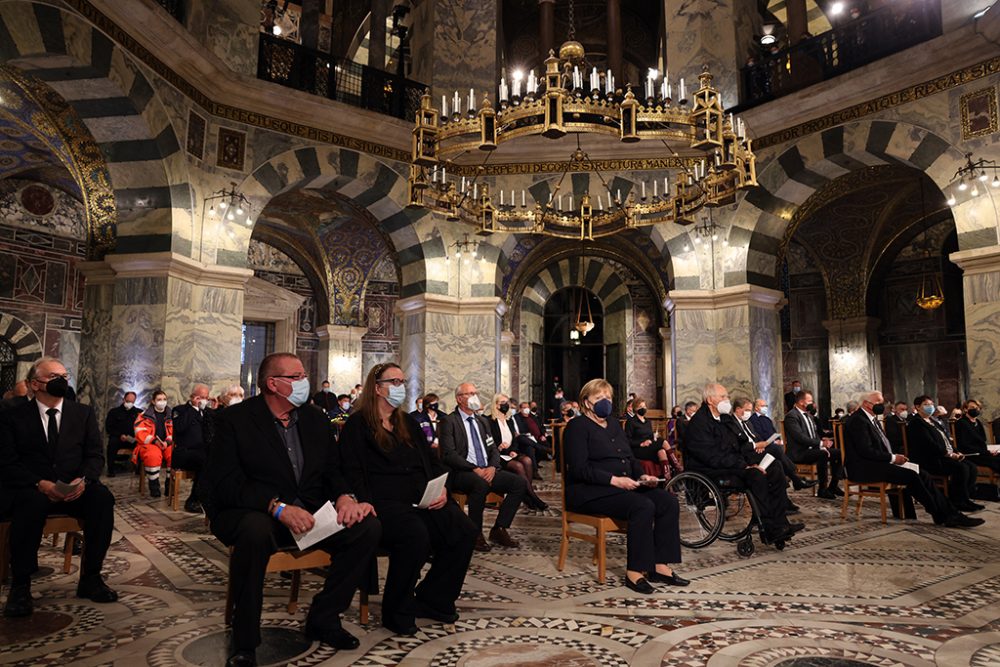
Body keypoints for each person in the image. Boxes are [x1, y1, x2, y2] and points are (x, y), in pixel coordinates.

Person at [209, 352, 380, 666]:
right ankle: (244, 638)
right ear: (273, 384)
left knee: (367, 526)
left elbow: (332, 468)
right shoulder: (234, 420)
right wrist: (276, 507)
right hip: (258, 512)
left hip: (310, 513)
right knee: (254, 532)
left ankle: (324, 617)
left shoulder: (314, 418)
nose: (305, 382)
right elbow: (224, 482)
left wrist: (344, 497)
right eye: (297, 376)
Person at [338, 362, 476, 635]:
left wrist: (442, 489)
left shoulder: (408, 423)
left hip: (420, 498)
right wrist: (360, 501)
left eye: (403, 382)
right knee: (415, 534)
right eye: (395, 382)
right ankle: (396, 609)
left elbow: (431, 462)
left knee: (464, 530)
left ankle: (433, 599)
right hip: (382, 503)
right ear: (377, 388)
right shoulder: (358, 425)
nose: (401, 387)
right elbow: (349, 471)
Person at [0, 357, 118, 617]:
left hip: (73, 486)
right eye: (54, 377)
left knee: (102, 500)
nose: (62, 381)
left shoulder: (82, 413)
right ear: (35, 384)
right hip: (32, 487)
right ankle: (21, 585)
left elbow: (95, 455)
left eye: (64, 376)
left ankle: (91, 577)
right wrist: (38, 483)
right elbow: (7, 461)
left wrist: (83, 480)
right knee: (28, 506)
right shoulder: (13, 415)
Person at [563, 378, 687, 594]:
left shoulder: (612, 424)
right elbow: (578, 469)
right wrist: (614, 480)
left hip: (623, 486)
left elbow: (630, 458)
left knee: (667, 501)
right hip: (591, 491)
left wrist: (641, 475)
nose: (605, 402)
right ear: (586, 401)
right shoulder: (577, 426)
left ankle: (659, 565)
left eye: (608, 398)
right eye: (599, 398)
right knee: (643, 506)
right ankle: (635, 572)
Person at [842, 391, 983, 528]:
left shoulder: (871, 419)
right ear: (867, 404)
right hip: (863, 467)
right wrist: (892, 458)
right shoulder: (858, 420)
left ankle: (950, 513)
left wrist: (895, 457)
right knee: (911, 476)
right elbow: (865, 450)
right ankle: (943, 515)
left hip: (878, 463)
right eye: (879, 402)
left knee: (923, 473)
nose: (882, 405)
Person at [683, 384, 800, 544]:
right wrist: (744, 465)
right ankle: (768, 527)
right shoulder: (699, 423)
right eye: (723, 397)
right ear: (710, 400)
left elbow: (740, 443)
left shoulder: (725, 419)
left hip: (732, 463)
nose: (727, 400)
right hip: (712, 471)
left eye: (727, 396)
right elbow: (711, 456)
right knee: (756, 475)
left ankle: (780, 523)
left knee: (775, 466)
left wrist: (754, 457)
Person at [438, 381, 528, 552]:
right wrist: (474, 468)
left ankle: (499, 529)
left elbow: (492, 448)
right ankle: (475, 533)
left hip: (486, 469)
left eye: (475, 393)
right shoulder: (449, 421)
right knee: (480, 484)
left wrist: (493, 467)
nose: (474, 397)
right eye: (469, 393)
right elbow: (449, 454)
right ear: (459, 399)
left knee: (519, 483)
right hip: (462, 472)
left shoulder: (482, 421)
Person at [906, 395, 982, 513]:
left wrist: (956, 451)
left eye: (931, 404)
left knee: (971, 467)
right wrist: (948, 454)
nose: (930, 407)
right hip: (931, 459)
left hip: (944, 455)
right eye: (926, 404)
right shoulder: (916, 423)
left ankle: (965, 499)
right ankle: (957, 501)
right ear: (917, 407)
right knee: (962, 468)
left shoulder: (932, 421)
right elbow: (929, 444)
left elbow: (946, 439)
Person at [734, 399, 815, 492]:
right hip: (754, 451)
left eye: (766, 406)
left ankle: (792, 485)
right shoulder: (752, 419)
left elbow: (758, 435)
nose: (765, 408)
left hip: (762, 446)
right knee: (775, 449)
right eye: (763, 406)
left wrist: (771, 441)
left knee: (778, 462)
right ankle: (795, 476)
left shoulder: (766, 419)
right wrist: (760, 445)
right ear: (756, 408)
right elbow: (757, 437)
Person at [487, 393, 547, 511]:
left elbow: (514, 439)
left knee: (527, 460)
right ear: (496, 405)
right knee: (518, 466)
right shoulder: (490, 421)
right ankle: (532, 497)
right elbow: (489, 441)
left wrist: (514, 450)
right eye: (503, 403)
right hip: (498, 455)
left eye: (507, 402)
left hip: (510, 452)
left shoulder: (509, 420)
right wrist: (498, 447)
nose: (506, 405)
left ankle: (527, 495)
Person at [783, 389, 842, 499]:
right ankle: (822, 489)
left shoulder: (809, 416)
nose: (812, 403)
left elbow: (814, 434)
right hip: (799, 452)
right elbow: (799, 437)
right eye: (810, 401)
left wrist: (823, 443)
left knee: (840, 453)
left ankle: (833, 486)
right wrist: (820, 444)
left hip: (812, 449)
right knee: (822, 454)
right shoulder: (792, 416)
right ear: (801, 402)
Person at [171, 383, 213, 513]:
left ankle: (207, 498)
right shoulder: (180, 410)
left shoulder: (205, 412)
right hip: (184, 452)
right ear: (192, 397)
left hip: (201, 452)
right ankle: (193, 500)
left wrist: (214, 408)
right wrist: (192, 407)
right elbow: (180, 427)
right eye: (201, 397)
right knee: (206, 462)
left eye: (206, 397)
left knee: (214, 461)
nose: (203, 400)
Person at [133, 389, 173, 498]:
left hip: (167, 443)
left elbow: (176, 431)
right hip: (150, 444)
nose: (162, 401)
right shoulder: (143, 415)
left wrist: (168, 442)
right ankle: (154, 485)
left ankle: (170, 483)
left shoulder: (172, 415)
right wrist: (155, 441)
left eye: (164, 399)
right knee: (153, 455)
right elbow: (140, 432)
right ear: (153, 402)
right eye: (159, 399)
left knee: (174, 454)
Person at [954, 399, 1000, 477]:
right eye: (972, 407)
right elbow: (964, 444)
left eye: (977, 407)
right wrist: (986, 452)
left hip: (981, 452)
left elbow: (983, 441)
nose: (976, 409)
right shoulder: (961, 423)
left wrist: (988, 451)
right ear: (965, 409)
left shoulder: (977, 422)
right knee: (997, 461)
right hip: (971, 454)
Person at [104, 391, 140, 476]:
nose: (129, 403)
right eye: (128, 401)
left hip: (132, 439)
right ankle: (111, 470)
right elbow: (109, 427)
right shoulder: (114, 412)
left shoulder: (138, 413)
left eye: (132, 402)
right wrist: (120, 435)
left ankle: (139, 470)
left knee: (142, 444)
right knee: (112, 442)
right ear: (123, 399)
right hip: (118, 438)